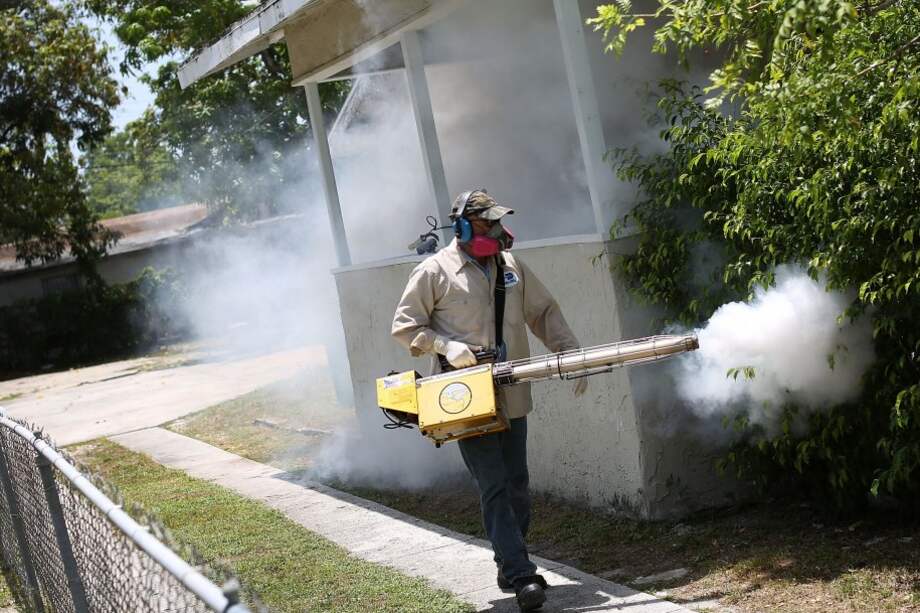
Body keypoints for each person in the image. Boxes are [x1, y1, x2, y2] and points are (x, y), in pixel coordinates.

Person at [391, 189, 587, 611]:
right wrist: (444, 346)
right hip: (463, 396)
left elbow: (544, 312)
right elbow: (405, 327)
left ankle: (507, 562)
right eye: (487, 223)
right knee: (494, 483)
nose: (497, 230)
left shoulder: (511, 266)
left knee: (517, 482)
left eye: (498, 222)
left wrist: (568, 352)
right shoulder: (434, 272)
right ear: (462, 226)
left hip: (512, 389)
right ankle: (520, 574)